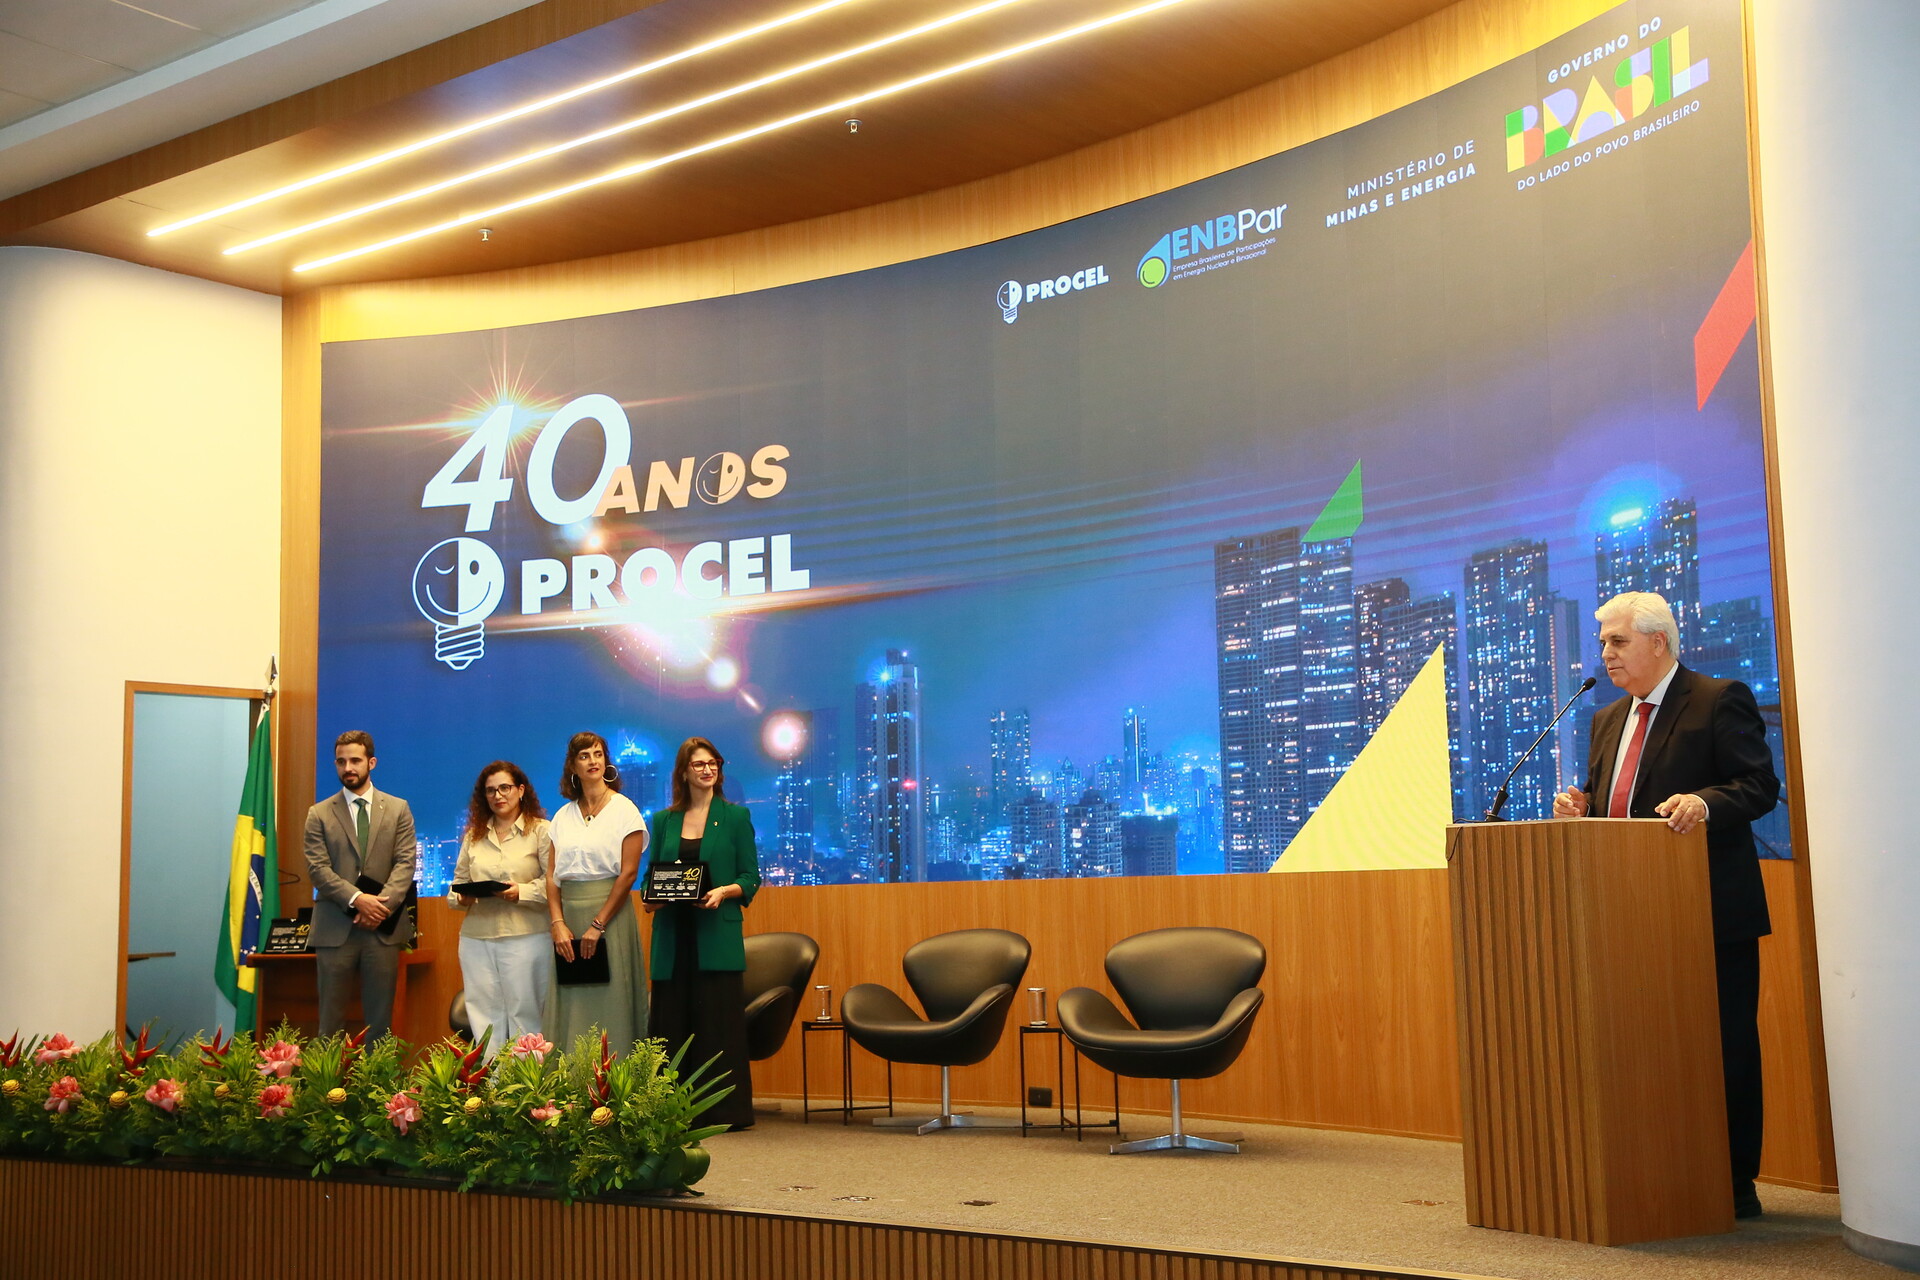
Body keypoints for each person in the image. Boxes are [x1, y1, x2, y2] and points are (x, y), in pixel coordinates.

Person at [1552, 591, 1779, 1219]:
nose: (1605, 653)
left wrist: (1704, 803)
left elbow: (1759, 785)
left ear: (1658, 642)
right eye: (1603, 642)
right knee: (1640, 1049)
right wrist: (1581, 807)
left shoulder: (1716, 699)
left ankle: (1732, 1182)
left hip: (1707, 912)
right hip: (1625, 916)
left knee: (1721, 1047)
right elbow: (1611, 803)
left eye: (1618, 641)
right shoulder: (1606, 719)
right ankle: (1652, 1170)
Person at [644, 736, 761, 1131]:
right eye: (699, 764)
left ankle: (723, 1113)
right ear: (683, 772)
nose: (708, 769)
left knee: (716, 1026)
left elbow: (750, 877)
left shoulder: (736, 817)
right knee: (671, 1024)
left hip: (716, 935)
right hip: (673, 937)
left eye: (713, 763)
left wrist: (723, 891)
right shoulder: (663, 820)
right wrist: (653, 898)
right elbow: (650, 879)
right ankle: (668, 1111)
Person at [303, 730, 417, 1039]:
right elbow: (318, 869)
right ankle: (328, 1073)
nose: (348, 768)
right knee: (330, 1024)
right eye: (341, 762)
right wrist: (357, 899)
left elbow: (405, 864)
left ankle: (378, 1073)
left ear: (371, 762)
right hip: (334, 929)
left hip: (382, 929)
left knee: (380, 1025)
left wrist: (379, 907)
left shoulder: (398, 809)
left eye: (355, 760)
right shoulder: (319, 814)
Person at [544, 731, 649, 1053]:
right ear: (572, 766)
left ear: (607, 761)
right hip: (569, 921)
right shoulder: (562, 816)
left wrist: (598, 924)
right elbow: (551, 876)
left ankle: (616, 1076)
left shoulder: (625, 810)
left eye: (598, 754)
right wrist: (557, 923)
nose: (593, 761)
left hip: (611, 917)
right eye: (584, 755)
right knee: (572, 1004)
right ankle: (571, 1079)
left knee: (613, 1002)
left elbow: (628, 873)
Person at [449, 761, 553, 1056]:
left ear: (520, 790)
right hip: (476, 938)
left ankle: (528, 1081)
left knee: (526, 1016)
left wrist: (521, 891)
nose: (498, 795)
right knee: (484, 1018)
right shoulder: (473, 835)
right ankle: (491, 1081)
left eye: (504, 788)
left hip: (526, 936)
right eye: (490, 790)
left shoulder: (541, 831)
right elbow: (456, 886)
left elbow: (554, 884)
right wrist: (462, 897)